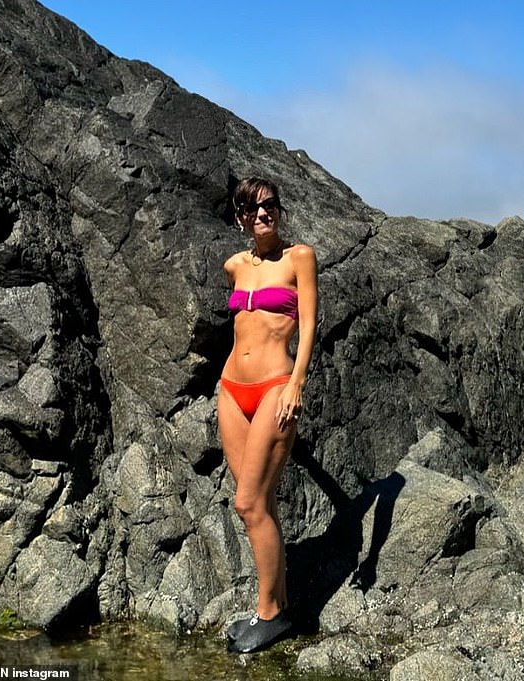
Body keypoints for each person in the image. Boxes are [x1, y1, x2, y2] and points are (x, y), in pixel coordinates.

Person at [218, 177, 318, 653]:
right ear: (241, 218)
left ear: (280, 210)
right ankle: (272, 605)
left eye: (270, 207)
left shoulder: (300, 258)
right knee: (260, 503)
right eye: (253, 210)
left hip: (277, 387)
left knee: (247, 503)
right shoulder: (235, 266)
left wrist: (297, 382)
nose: (263, 215)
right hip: (231, 391)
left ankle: (270, 615)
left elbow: (311, 323)